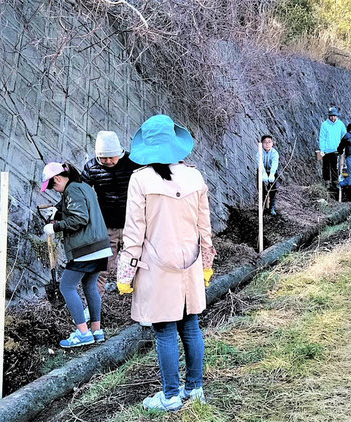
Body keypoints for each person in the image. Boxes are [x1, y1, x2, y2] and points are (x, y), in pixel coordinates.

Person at [116, 114, 216, 412]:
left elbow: (134, 232)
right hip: (191, 263)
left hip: (156, 266)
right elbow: (205, 227)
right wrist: (207, 262)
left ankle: (171, 396)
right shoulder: (195, 176)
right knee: (191, 325)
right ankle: (195, 389)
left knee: (164, 329)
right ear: (174, 142)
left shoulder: (140, 179)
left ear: (146, 147)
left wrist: (126, 272)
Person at [40, 162, 112, 347]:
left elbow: (80, 218)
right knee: (90, 287)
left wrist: (55, 227)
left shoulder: (72, 190)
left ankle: (83, 334)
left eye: (52, 186)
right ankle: (96, 331)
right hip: (100, 246)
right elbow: (79, 211)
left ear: (57, 178)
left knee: (67, 287)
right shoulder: (84, 187)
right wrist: (58, 211)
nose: (54, 190)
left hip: (86, 248)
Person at [81, 131, 140, 299]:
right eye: (102, 158)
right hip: (107, 224)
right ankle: (93, 308)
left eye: (111, 157)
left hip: (133, 223)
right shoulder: (91, 167)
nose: (107, 161)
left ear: (119, 153)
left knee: (140, 265)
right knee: (102, 267)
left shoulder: (133, 163)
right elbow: (80, 192)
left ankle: (144, 305)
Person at [319, 106, 347, 192]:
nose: (333, 117)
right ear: (329, 116)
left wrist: (343, 146)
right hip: (327, 150)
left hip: (336, 150)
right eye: (332, 116)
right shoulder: (324, 125)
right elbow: (322, 138)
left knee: (335, 167)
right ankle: (326, 182)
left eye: (335, 116)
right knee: (326, 167)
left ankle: (335, 182)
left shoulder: (340, 124)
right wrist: (322, 149)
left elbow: (344, 136)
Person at [260, 135, 280, 216]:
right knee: (262, 190)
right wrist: (263, 173)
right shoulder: (260, 152)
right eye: (265, 142)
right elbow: (260, 163)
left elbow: (275, 164)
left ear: (272, 143)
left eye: (269, 142)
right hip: (262, 171)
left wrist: (271, 174)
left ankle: (272, 208)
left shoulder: (274, 153)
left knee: (272, 190)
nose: (267, 144)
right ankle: (264, 207)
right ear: (262, 144)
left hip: (272, 171)